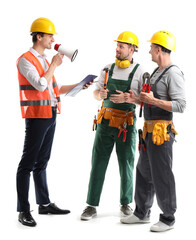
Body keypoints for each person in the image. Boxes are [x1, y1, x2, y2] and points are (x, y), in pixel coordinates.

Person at [16, 17, 91, 227]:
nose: (53, 39)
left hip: (50, 113)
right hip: (36, 115)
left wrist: (78, 85)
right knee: (27, 164)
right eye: (50, 35)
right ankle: (23, 210)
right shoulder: (25, 60)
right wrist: (55, 65)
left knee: (42, 161)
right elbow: (40, 85)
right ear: (39, 36)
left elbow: (52, 89)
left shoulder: (44, 60)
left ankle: (44, 203)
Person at [121, 30, 186, 232]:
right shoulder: (157, 71)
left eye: (150, 47)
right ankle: (142, 212)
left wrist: (153, 100)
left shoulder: (173, 73)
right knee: (144, 171)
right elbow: (149, 101)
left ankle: (168, 218)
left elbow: (181, 105)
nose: (148, 50)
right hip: (148, 131)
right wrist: (136, 99)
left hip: (161, 132)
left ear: (159, 49)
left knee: (162, 174)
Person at [80, 31, 146, 221]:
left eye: (121, 46)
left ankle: (126, 203)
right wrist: (98, 95)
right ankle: (91, 205)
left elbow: (145, 101)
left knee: (126, 163)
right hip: (105, 123)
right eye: (117, 46)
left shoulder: (140, 72)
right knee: (98, 163)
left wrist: (130, 98)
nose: (117, 49)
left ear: (132, 49)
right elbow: (95, 92)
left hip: (126, 124)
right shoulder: (107, 69)